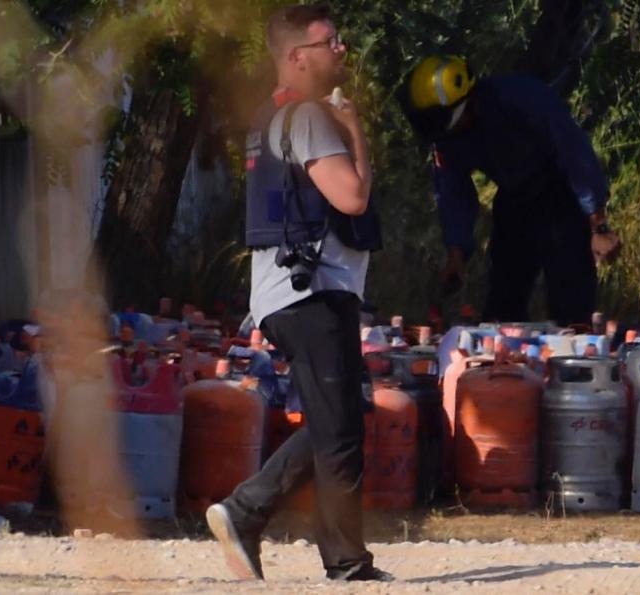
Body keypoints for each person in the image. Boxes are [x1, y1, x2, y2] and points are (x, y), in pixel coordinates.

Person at [205, 4, 388, 582]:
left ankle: (251, 512)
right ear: (296, 57)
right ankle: (334, 557)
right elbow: (352, 198)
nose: (341, 50)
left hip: (291, 292)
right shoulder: (308, 116)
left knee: (341, 420)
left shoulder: (271, 117)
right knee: (339, 435)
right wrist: (355, 129)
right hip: (310, 294)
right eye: (330, 41)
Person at [399, 55, 621, 326]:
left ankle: (572, 360)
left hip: (560, 196)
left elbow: (575, 155)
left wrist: (598, 226)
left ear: (466, 105)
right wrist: (456, 256)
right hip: (514, 199)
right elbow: (452, 192)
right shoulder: (448, 138)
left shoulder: (523, 99)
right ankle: (506, 362)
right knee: (503, 306)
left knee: (570, 304)